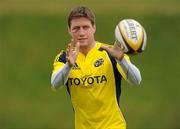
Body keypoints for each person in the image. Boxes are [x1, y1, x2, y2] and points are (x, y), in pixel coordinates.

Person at [51, 6, 141, 129]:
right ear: (69, 30)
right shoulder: (64, 58)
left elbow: (136, 81)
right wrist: (68, 66)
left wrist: (121, 59)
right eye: (76, 28)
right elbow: (55, 84)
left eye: (86, 27)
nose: (81, 33)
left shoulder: (110, 53)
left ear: (94, 28)